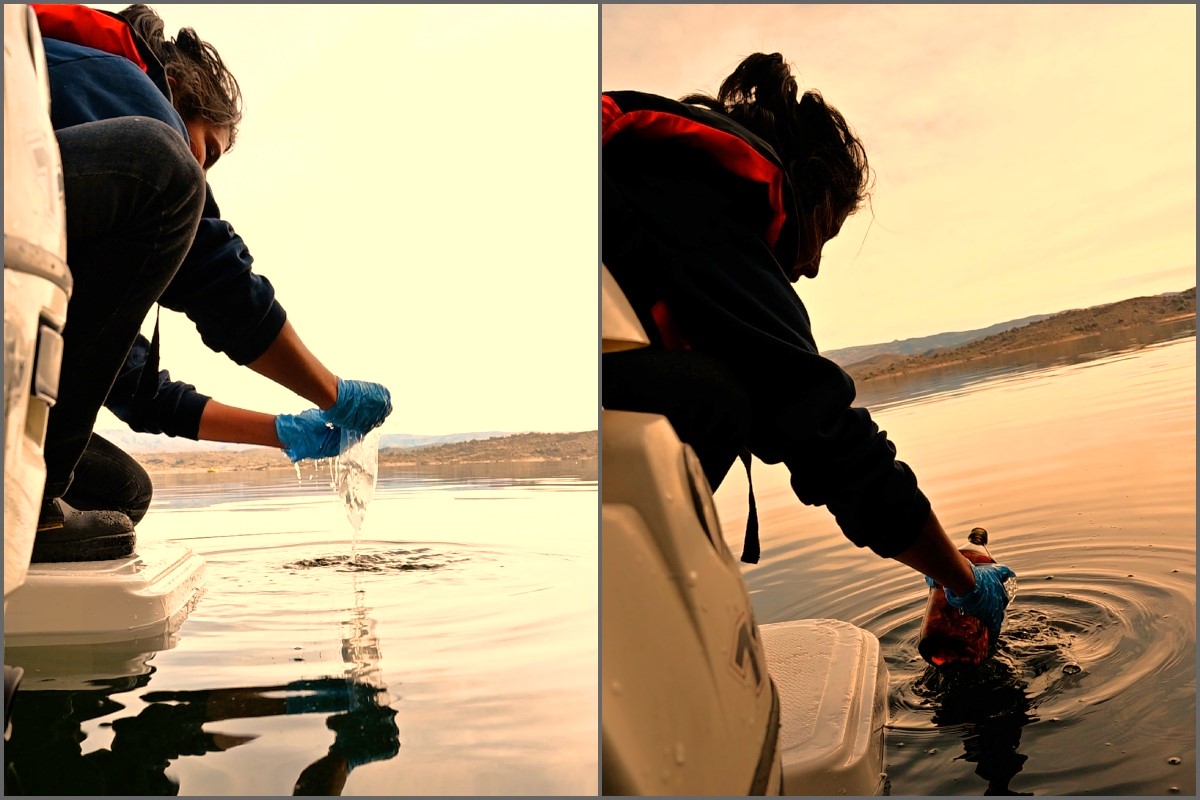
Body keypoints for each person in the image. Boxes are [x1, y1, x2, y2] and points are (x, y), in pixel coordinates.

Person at [602, 53, 1015, 638]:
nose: (814, 266)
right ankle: (621, 629)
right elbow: (822, 433)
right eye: (828, 233)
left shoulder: (670, 184)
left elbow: (805, 422)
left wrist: (941, 564)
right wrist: (962, 583)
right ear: (815, 202)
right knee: (713, 399)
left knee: (717, 396)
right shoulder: (702, 200)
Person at [30, 3, 392, 562]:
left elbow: (137, 388)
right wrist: (331, 391)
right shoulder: (113, 76)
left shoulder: (65, 207)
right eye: (208, 149)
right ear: (173, 87)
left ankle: (36, 516)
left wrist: (286, 431)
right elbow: (214, 273)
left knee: (121, 494)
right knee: (164, 169)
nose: (202, 176)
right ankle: (32, 512)